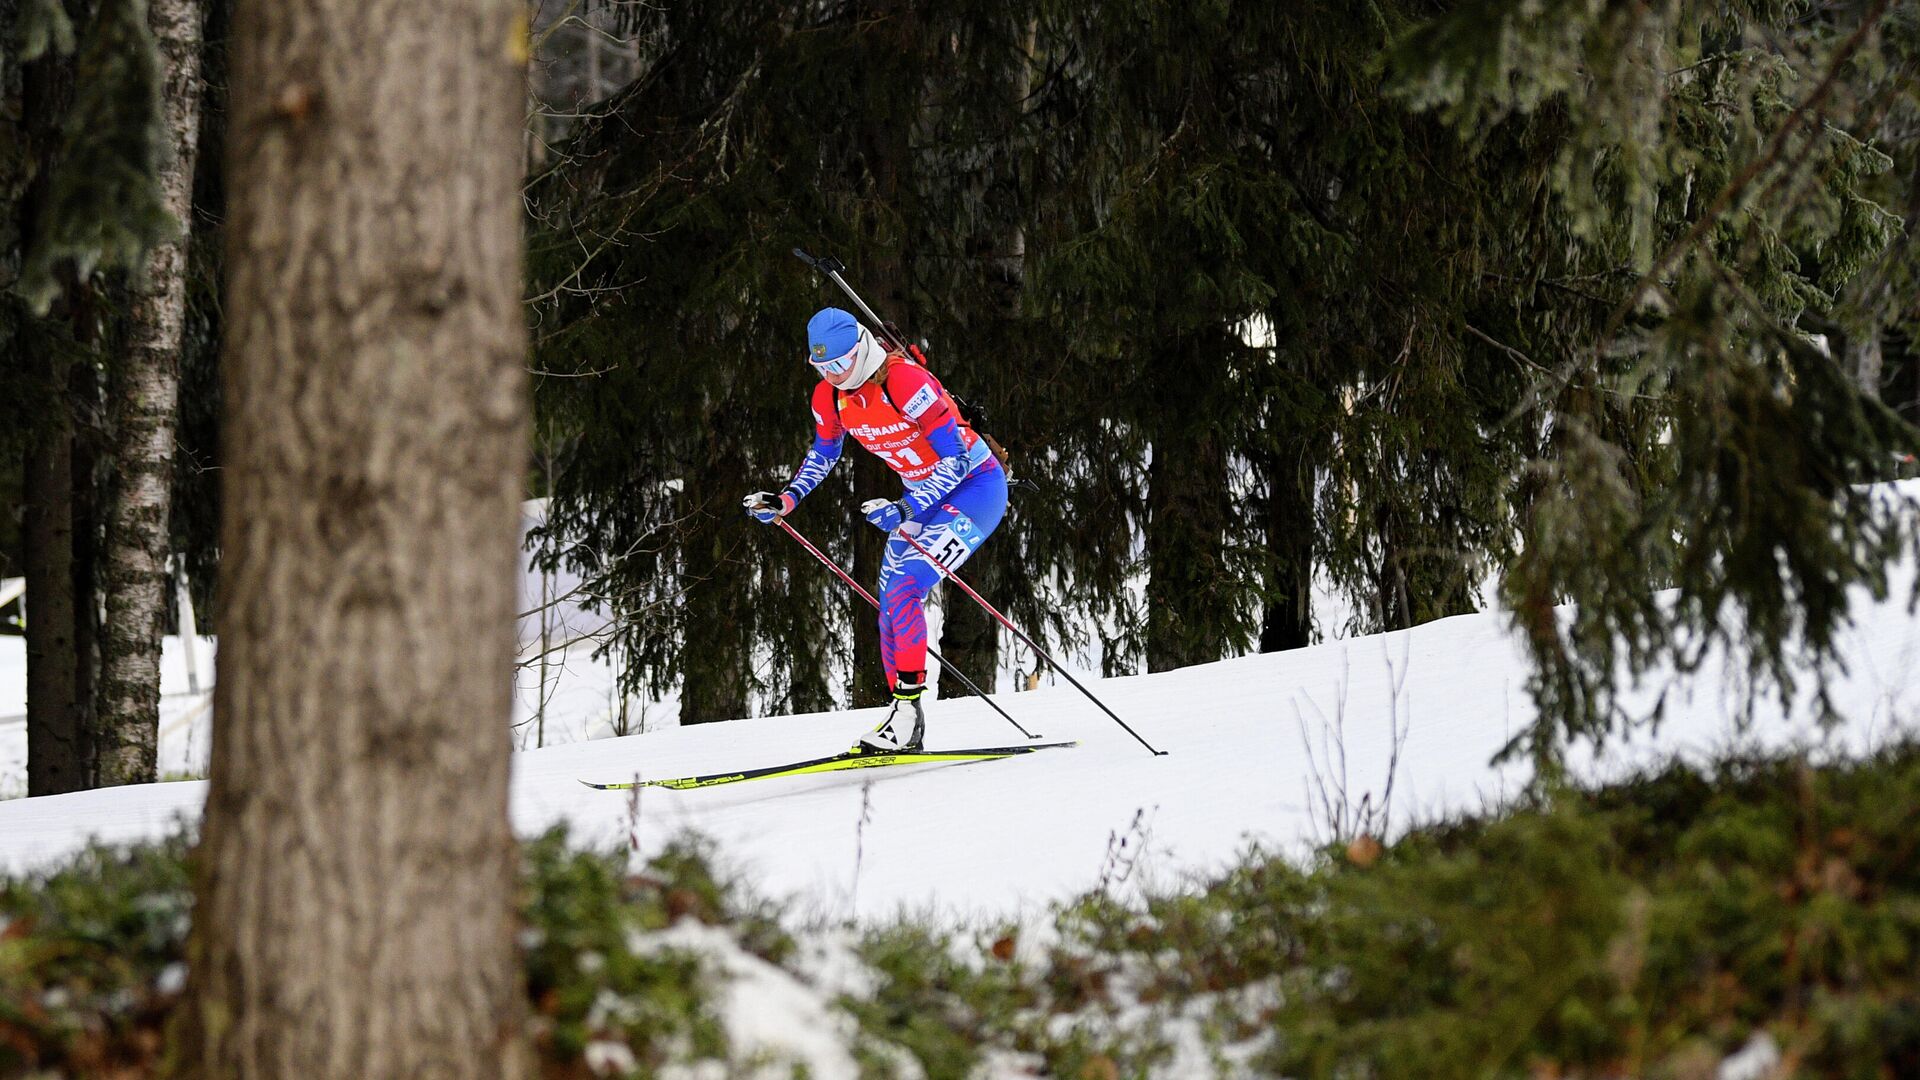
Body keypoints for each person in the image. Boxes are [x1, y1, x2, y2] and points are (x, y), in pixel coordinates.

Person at [744, 307, 1006, 752]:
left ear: (862, 349)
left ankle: (906, 717)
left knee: (905, 585)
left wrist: (906, 506)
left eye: (841, 363)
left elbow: (957, 460)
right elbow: (824, 453)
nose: (834, 375)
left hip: (975, 490)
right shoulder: (828, 397)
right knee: (890, 599)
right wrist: (787, 499)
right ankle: (904, 716)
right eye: (821, 366)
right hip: (921, 499)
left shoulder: (904, 382)